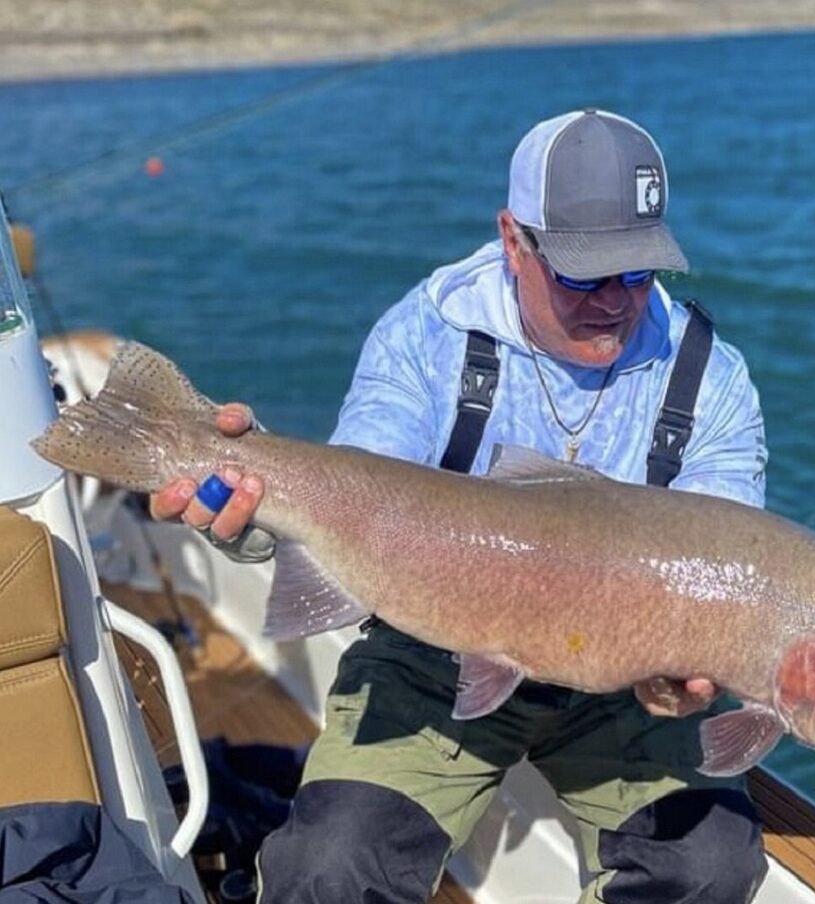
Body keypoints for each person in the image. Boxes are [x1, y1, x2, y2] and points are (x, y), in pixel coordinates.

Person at [152, 109, 769, 904]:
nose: (616, 301)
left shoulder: (712, 379)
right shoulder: (428, 332)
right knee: (329, 865)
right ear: (514, 240)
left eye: (639, 271)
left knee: (714, 865)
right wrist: (248, 514)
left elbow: (727, 563)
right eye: (585, 275)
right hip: (432, 651)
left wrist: (688, 676)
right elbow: (358, 492)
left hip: (623, 684)